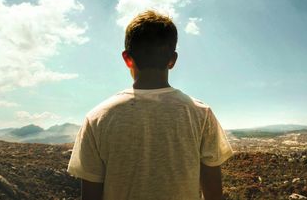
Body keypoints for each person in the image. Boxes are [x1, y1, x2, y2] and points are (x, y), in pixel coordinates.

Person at [67, 10, 233, 200]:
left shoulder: (97, 118)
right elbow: (214, 194)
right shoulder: (201, 114)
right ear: (173, 60)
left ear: (127, 59)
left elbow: (91, 194)